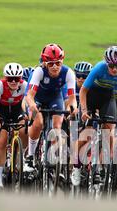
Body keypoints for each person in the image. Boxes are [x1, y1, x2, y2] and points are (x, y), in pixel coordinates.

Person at [71, 45, 117, 187]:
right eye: (111, 66)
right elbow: (83, 91)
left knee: (109, 130)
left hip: (108, 98)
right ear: (106, 63)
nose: (114, 69)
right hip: (91, 96)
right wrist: (85, 110)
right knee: (86, 133)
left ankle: (105, 164)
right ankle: (75, 167)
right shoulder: (99, 68)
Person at [23, 43, 77, 173]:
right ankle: (30, 156)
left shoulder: (68, 73)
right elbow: (29, 96)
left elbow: (71, 99)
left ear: (62, 61)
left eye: (58, 63)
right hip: (36, 99)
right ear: (45, 63)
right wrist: (33, 106)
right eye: (51, 63)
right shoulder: (39, 72)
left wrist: (72, 108)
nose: (55, 67)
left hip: (54, 98)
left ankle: (54, 159)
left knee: (57, 126)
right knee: (38, 122)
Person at [0, 62, 28, 190]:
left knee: (24, 129)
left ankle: (21, 158)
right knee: (1, 140)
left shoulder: (24, 85)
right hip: (2, 111)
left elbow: (26, 104)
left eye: (16, 78)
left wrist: (26, 115)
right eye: (10, 79)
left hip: (17, 110)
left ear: (20, 78)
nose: (13, 81)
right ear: (5, 78)